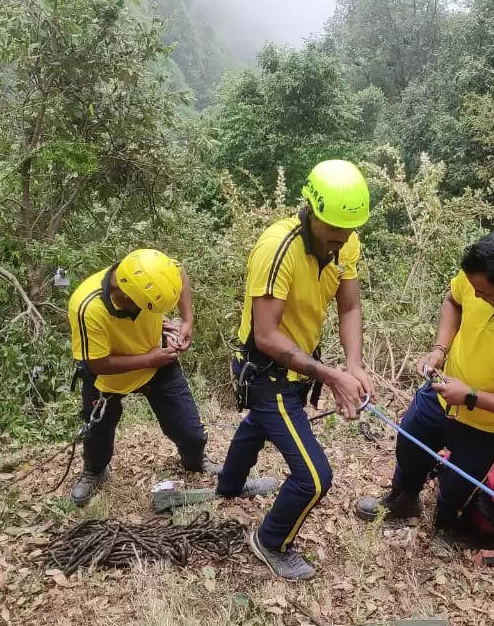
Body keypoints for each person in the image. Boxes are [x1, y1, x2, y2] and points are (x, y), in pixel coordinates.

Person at [216, 160, 376, 580]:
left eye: (348, 230)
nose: (341, 239)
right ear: (311, 209)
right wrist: (331, 376)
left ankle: (229, 485)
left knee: (257, 426)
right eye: (333, 229)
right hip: (267, 368)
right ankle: (271, 541)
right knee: (315, 478)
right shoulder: (277, 248)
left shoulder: (347, 241)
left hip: (298, 360)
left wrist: (354, 366)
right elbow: (267, 335)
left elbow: (350, 305)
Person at [356, 232, 494, 537]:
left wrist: (470, 396)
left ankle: (448, 525)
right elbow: (453, 300)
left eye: (484, 293)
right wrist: (440, 350)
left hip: (487, 426)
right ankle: (403, 500)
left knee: (459, 486)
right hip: (440, 393)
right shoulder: (480, 277)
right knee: (410, 447)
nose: (477, 296)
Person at [66, 248, 275, 506]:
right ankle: (94, 471)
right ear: (126, 294)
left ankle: (195, 460)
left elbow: (178, 271)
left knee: (192, 434)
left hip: (157, 363)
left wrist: (187, 322)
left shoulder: (150, 271)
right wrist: (150, 358)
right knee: (98, 433)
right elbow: (96, 363)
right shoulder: (87, 306)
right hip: (109, 377)